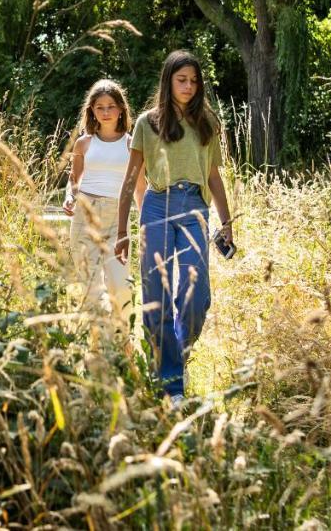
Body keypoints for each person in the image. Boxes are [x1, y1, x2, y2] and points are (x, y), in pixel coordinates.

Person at [114, 51, 232, 406]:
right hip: (156, 205)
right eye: (182, 80)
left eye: (194, 81)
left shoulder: (207, 122)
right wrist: (123, 229)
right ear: (168, 81)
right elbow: (131, 178)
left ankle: (173, 356)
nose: (188, 86)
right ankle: (171, 384)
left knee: (197, 295)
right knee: (157, 294)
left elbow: (213, 176)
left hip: (194, 206)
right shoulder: (147, 123)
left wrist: (226, 224)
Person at [63, 79, 145, 341]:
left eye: (111, 106)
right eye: (100, 107)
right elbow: (74, 180)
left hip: (116, 219)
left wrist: (144, 225)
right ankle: (98, 351)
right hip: (85, 216)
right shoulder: (84, 144)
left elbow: (140, 188)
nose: (106, 112)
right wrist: (69, 197)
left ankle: (123, 345)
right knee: (92, 289)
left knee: (121, 288)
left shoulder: (133, 144)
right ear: (92, 111)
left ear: (121, 109)